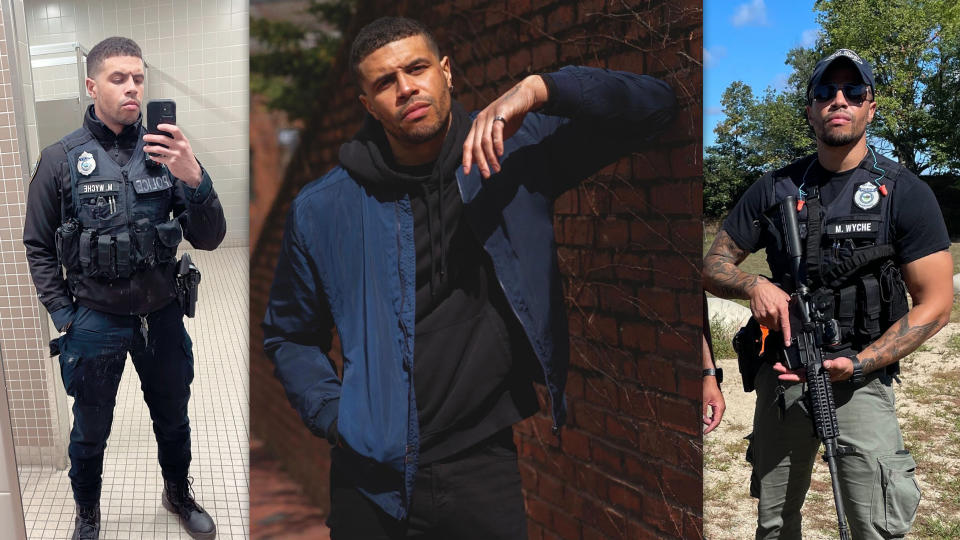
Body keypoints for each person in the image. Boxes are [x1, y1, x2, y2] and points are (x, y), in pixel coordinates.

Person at [262, 16, 677, 540]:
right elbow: (290, 334)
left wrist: (538, 89)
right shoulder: (323, 209)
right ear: (367, 104)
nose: (406, 88)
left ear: (446, 72)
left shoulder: (514, 151)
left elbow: (657, 107)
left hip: (481, 463)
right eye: (384, 82)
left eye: (416, 68)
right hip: (370, 476)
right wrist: (336, 417)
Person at [703, 48, 953, 539]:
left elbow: (937, 304)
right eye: (825, 91)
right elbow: (712, 265)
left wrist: (859, 364)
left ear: (870, 107)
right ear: (810, 108)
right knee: (774, 523)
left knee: (873, 523)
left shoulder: (903, 191)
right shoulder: (775, 187)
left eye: (853, 91)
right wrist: (755, 283)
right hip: (784, 377)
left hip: (861, 379)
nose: (839, 100)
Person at [22, 37, 225, 540]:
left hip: (162, 313)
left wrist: (194, 176)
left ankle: (177, 493)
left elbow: (212, 236)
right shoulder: (60, 159)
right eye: (119, 78)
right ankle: (86, 513)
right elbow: (37, 245)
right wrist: (63, 315)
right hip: (93, 319)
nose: (132, 87)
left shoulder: (169, 152)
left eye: (138, 77)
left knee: (173, 417)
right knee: (89, 430)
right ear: (92, 86)